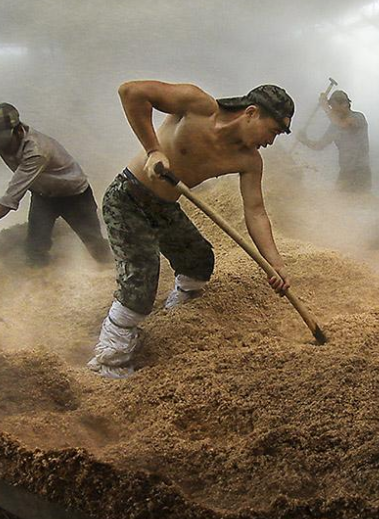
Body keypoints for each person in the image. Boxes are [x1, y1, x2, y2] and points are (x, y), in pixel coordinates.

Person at [87, 82, 294, 379]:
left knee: (199, 260)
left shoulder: (248, 160)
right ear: (251, 113)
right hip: (128, 198)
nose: (271, 142)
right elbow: (130, 92)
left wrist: (275, 264)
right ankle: (110, 359)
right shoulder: (198, 105)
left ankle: (177, 313)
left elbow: (256, 211)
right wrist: (153, 150)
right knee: (142, 276)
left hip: (165, 207)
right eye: (272, 131)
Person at [0, 102, 111, 266]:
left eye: (4, 141)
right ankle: (46, 284)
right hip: (43, 197)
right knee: (35, 250)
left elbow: (10, 199)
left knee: (96, 247)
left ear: (19, 131)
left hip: (74, 196)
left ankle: (117, 271)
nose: (2, 146)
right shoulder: (0, 141)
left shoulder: (37, 151)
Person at [296, 90, 371, 192]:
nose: (333, 111)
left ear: (345, 104)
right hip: (345, 173)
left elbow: (343, 125)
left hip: (360, 173)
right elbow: (319, 145)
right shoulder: (334, 126)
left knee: (358, 205)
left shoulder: (358, 117)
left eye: (335, 108)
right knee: (337, 202)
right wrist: (305, 140)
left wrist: (325, 107)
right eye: (332, 108)